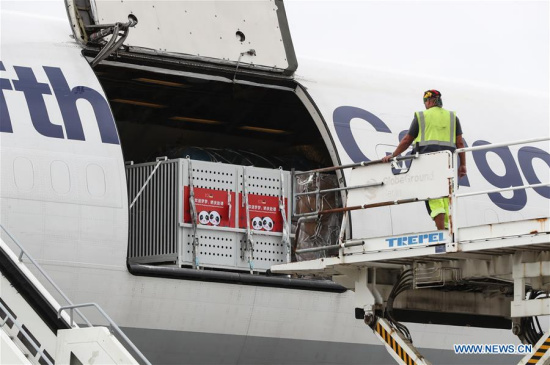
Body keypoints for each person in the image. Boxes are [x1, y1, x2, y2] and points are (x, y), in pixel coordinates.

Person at [381, 90, 467, 230]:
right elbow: (460, 143)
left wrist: (393, 155)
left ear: (429, 101)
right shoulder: (452, 117)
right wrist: (462, 164)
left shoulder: (422, 116)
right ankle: (449, 230)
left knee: (433, 198)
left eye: (425, 102)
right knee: (446, 195)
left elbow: (407, 139)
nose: (425, 105)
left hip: (428, 162)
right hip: (448, 162)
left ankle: (441, 232)